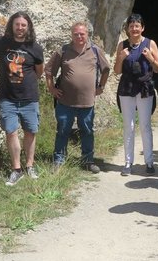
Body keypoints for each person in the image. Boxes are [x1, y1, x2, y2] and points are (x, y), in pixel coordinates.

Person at [0, 11, 44, 186]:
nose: (20, 28)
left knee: (30, 132)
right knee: (10, 132)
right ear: (12, 25)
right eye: (17, 24)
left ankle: (30, 166)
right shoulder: (1, 43)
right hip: (8, 99)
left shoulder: (35, 47)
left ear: (28, 27)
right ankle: (16, 169)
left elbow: (39, 71)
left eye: (23, 25)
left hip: (29, 98)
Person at [45, 21, 110, 173]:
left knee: (87, 131)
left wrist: (101, 87)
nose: (79, 36)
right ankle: (59, 160)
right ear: (71, 35)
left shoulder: (94, 50)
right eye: (76, 34)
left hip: (87, 102)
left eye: (82, 34)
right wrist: (51, 88)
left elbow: (106, 69)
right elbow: (49, 71)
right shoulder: (63, 50)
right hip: (65, 101)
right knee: (62, 131)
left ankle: (87, 161)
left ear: (87, 34)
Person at [114, 13, 158, 176]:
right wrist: (120, 58)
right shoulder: (122, 45)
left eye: (137, 26)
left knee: (145, 125)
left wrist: (150, 58)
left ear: (142, 28)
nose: (134, 28)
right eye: (131, 26)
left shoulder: (150, 43)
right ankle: (128, 162)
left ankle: (149, 162)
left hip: (144, 88)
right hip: (126, 88)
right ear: (127, 29)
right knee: (128, 126)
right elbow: (116, 71)